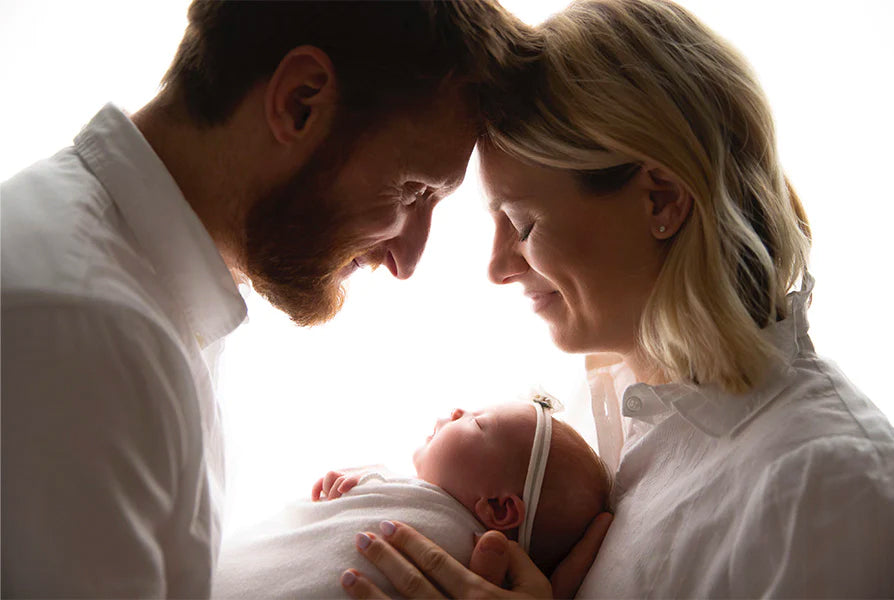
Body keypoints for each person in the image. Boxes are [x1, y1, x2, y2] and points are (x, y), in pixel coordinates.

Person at [339, 0, 894, 598]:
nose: (497, 268)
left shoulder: (833, 490)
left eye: (522, 225)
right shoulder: (585, 419)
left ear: (660, 201)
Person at [0, 2, 538, 596]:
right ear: (300, 101)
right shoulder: (80, 333)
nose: (406, 260)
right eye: (412, 190)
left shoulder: (143, 299)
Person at [211, 397, 610, 598]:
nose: (457, 411)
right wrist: (352, 491)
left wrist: (369, 482)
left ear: (499, 507)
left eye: (477, 422)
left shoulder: (457, 539)